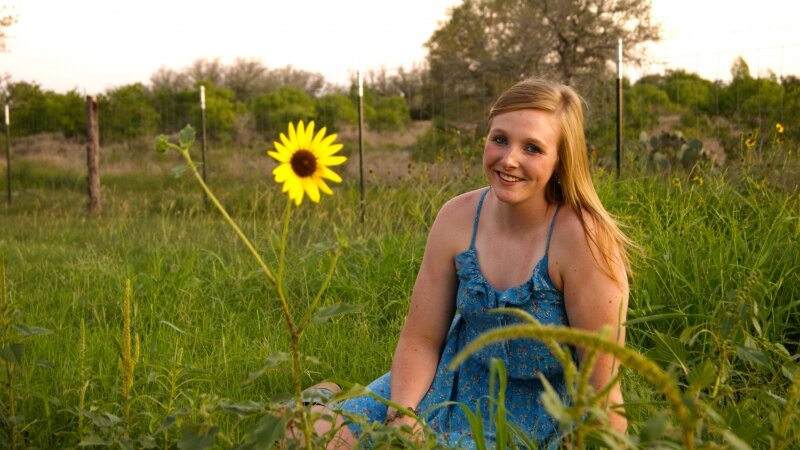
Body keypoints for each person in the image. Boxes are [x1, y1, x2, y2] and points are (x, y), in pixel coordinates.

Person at [310, 78, 633, 448]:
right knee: (306, 435)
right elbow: (422, 338)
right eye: (500, 139)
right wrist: (403, 416)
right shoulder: (458, 218)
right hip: (448, 382)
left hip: (537, 416)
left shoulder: (585, 242)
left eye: (533, 148)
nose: (509, 159)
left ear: (561, 159)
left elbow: (604, 387)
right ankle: (318, 399)